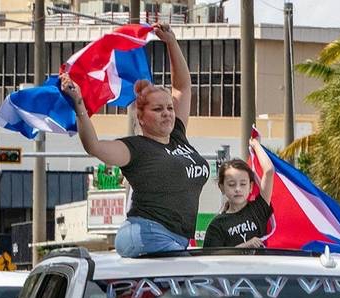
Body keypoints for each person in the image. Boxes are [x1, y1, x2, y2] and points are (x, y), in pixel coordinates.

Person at [59, 22, 209, 257]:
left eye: (169, 107)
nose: (168, 113)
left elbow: (182, 87)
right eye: (158, 109)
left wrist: (171, 42)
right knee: (186, 287)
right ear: (141, 117)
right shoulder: (136, 148)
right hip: (147, 233)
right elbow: (94, 146)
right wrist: (79, 104)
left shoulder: (178, 136)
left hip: (178, 239)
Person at [203, 138, 275, 249]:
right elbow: (211, 259)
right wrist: (245, 246)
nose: (237, 189)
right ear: (221, 187)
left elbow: (269, 171)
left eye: (243, 184)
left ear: (251, 187)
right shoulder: (217, 225)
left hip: (260, 266)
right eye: (231, 184)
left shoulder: (258, 209)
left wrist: (255, 144)